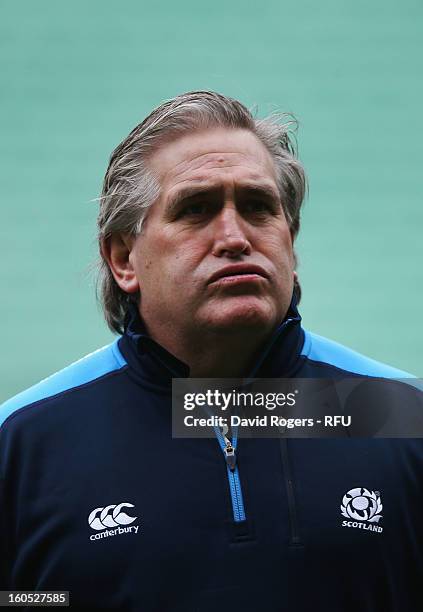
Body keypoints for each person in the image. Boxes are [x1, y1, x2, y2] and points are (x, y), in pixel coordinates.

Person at [0, 91, 422, 612]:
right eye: (196, 209)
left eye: (257, 207)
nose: (233, 237)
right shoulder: (22, 442)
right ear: (123, 258)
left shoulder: (399, 415)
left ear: (290, 240)